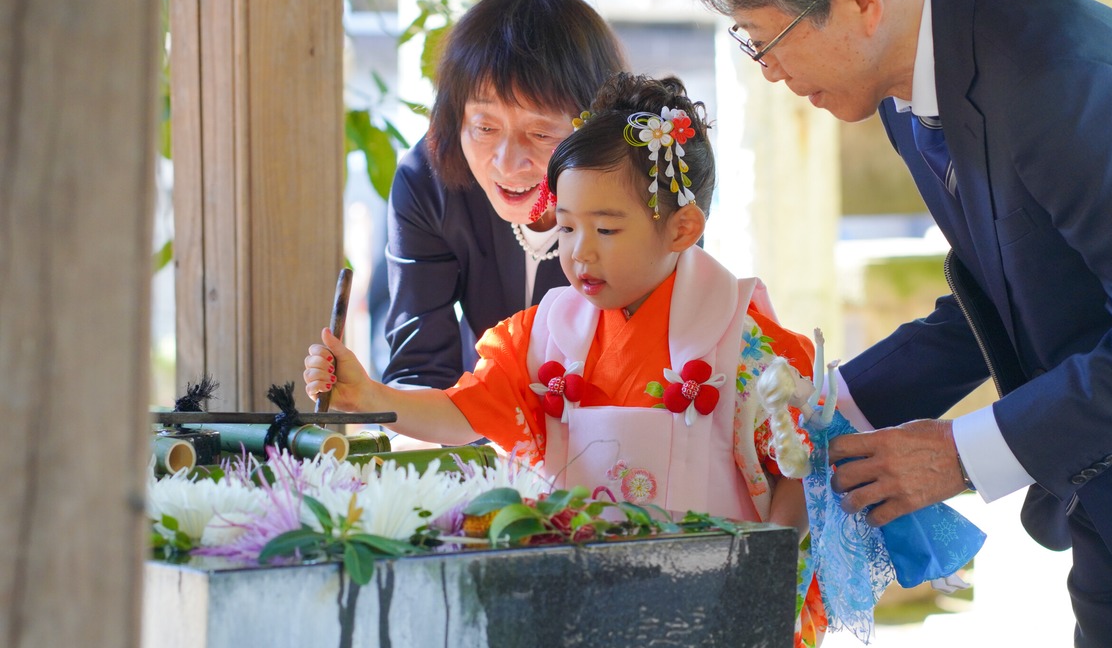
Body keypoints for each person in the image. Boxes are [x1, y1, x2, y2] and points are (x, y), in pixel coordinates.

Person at [687, 0, 1112, 645]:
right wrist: (828, 410)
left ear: (860, 0)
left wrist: (960, 456)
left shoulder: (1057, 77)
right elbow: (1002, 291)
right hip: (1105, 493)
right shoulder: (905, 88)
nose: (768, 72)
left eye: (766, 40)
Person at [310, 73, 829, 645]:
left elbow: (801, 474)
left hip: (715, 602)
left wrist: (762, 573)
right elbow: (468, 410)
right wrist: (375, 399)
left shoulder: (747, 343)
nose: (579, 253)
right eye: (566, 227)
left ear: (683, 229)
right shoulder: (546, 334)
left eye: (606, 228)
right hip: (582, 603)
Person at [371, 0, 627, 392]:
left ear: (594, 126)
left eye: (541, 134)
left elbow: (659, 360)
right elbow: (419, 369)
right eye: (485, 127)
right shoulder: (427, 180)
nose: (507, 163)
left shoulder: (644, 185)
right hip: (476, 433)